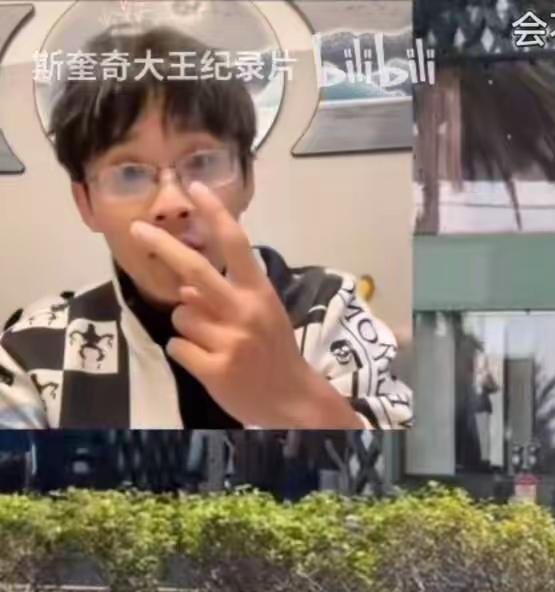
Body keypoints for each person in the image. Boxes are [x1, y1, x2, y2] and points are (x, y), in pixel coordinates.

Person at [0, 26, 413, 430]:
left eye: (201, 162)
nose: (171, 205)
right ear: (86, 203)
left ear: (248, 179)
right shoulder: (32, 352)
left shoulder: (329, 309)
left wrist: (299, 402)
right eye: (129, 173)